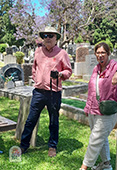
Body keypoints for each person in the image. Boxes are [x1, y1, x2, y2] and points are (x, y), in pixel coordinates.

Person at [20, 26, 72, 157]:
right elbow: (34, 68)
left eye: (50, 36)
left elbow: (68, 71)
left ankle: (52, 146)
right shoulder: (38, 52)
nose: (47, 38)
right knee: (31, 120)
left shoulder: (62, 53)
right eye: (45, 36)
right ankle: (23, 146)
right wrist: (37, 79)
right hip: (38, 92)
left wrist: (60, 74)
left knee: (53, 121)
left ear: (56, 38)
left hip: (53, 93)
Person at [80, 42, 117, 170]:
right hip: (93, 109)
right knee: (101, 140)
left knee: (95, 140)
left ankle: (84, 167)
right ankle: (106, 164)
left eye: (103, 53)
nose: (100, 55)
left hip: (107, 111)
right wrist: (87, 107)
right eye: (98, 53)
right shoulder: (96, 68)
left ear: (108, 54)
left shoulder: (113, 66)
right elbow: (92, 90)